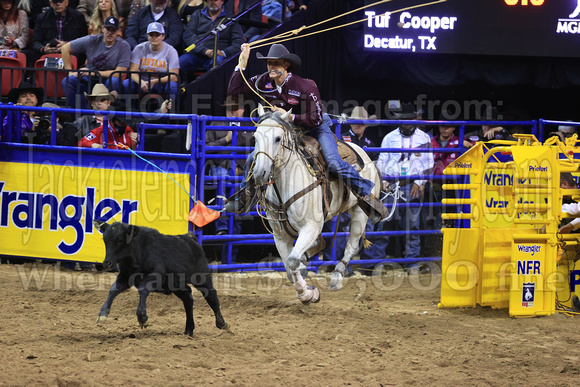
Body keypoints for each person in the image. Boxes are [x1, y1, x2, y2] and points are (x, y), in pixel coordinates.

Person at [225, 43, 387, 223]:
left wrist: (290, 116)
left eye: (276, 63)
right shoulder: (264, 81)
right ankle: (244, 199)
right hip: (289, 130)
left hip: (316, 127)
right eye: (269, 63)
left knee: (333, 162)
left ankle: (366, 193)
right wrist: (242, 63)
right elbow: (234, 92)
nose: (271, 67)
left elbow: (315, 119)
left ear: (286, 65)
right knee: (253, 158)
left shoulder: (304, 86)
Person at [375, 102, 434, 259]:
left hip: (411, 185)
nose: (407, 122)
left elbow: (429, 164)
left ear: (415, 118)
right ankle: (374, 262)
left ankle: (412, 261)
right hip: (391, 184)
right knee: (383, 223)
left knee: (412, 225)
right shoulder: (390, 137)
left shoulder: (424, 138)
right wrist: (384, 181)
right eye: (404, 119)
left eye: (410, 118)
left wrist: (419, 182)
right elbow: (381, 161)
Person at [206, 95, 253, 262]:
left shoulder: (249, 126)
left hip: (241, 172)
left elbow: (255, 151)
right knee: (223, 182)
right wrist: (224, 140)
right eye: (230, 107)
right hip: (221, 168)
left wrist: (241, 167)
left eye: (238, 107)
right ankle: (223, 227)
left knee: (238, 216)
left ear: (243, 109)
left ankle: (229, 261)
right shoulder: (215, 124)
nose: (234, 110)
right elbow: (206, 148)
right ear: (225, 108)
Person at [60, 16, 131, 109]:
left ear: (118, 31)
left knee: (114, 81)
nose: (110, 33)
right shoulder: (92, 40)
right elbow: (65, 48)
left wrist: (94, 73)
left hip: (107, 79)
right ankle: (80, 116)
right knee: (68, 81)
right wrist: (69, 72)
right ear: (102, 29)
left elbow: (118, 74)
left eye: (113, 30)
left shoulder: (124, 46)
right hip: (89, 78)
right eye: (108, 29)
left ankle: (109, 116)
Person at [180, 0, 244, 75]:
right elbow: (189, 35)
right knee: (180, 62)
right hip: (197, 54)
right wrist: (205, 50)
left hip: (218, 55)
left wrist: (224, 52)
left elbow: (239, 41)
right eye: (210, 0)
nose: (213, 2)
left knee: (218, 62)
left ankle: (212, 86)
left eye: (216, 0)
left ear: (222, 1)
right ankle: (183, 86)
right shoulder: (197, 14)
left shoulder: (230, 18)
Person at [121, 21, 180, 103]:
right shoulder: (139, 48)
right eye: (151, 35)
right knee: (127, 84)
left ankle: (169, 111)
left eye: (157, 35)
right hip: (142, 82)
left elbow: (174, 76)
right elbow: (132, 72)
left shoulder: (171, 51)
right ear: (147, 36)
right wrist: (141, 82)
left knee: (172, 86)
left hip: (161, 83)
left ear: (163, 36)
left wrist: (155, 81)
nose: (154, 37)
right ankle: (131, 111)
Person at [24, 0, 87, 67]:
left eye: (61, 1)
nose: (58, 4)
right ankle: (32, 77)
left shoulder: (78, 17)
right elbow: (35, 42)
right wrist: (43, 48)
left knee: (78, 56)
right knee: (27, 54)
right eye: (55, 2)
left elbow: (83, 41)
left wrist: (67, 45)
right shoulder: (42, 17)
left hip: (71, 52)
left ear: (67, 2)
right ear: (50, 3)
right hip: (48, 52)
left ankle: (71, 76)